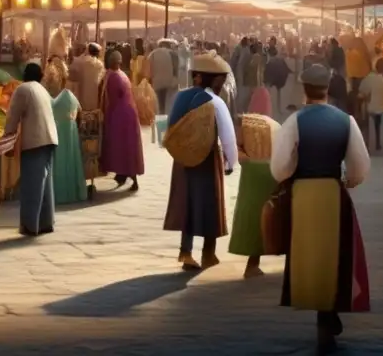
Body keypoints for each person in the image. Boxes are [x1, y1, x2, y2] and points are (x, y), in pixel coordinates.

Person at [271, 64, 371, 354]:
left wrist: (293, 174)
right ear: (328, 88)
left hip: (303, 194)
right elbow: (359, 167)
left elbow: (279, 168)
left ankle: (322, 314)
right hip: (332, 193)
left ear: (304, 89)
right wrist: (348, 181)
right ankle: (328, 315)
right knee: (335, 255)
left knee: (308, 256)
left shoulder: (294, 121)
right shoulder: (346, 121)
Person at [163, 53, 237, 271]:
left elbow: (171, 127)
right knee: (209, 205)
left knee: (187, 202)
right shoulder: (215, 102)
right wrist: (230, 163)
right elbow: (228, 136)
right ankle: (209, 254)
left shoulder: (180, 97)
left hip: (183, 160)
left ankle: (185, 252)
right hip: (208, 158)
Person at [3, 63, 59, 236]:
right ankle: (45, 223)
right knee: (45, 183)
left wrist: (8, 140)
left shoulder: (22, 89)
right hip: (50, 138)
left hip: (35, 140)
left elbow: (13, 116)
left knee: (31, 185)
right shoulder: (42, 90)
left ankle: (29, 225)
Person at [227, 114, 279, 278]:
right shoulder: (268, 126)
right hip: (273, 170)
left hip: (258, 172)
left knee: (254, 215)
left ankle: (252, 264)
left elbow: (235, 149)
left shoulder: (246, 130)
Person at [98, 50, 145, 190]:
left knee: (119, 146)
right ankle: (124, 175)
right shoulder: (123, 74)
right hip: (130, 114)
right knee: (128, 146)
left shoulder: (112, 77)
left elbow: (110, 99)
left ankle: (127, 175)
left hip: (119, 115)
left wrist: (105, 116)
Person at [51, 88, 87, 205]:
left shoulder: (56, 99)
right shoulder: (71, 97)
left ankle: (60, 194)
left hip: (59, 133)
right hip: (71, 133)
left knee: (60, 160)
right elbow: (80, 112)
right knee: (71, 159)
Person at [358, 62, 383, 151]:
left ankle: (366, 142)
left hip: (371, 108)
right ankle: (377, 143)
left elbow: (362, 93)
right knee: (377, 123)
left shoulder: (368, 78)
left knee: (363, 113)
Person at [69, 42, 105, 113]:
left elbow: (70, 71)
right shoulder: (100, 65)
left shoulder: (79, 61)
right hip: (93, 104)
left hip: (80, 102)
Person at [146, 39, 178, 115]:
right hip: (169, 82)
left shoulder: (152, 54)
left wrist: (149, 80)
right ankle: (164, 116)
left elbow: (148, 69)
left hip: (156, 82)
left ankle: (159, 116)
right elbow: (176, 68)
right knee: (168, 103)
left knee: (158, 102)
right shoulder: (172, 53)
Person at [264, 46, 292, 118]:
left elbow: (267, 72)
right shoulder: (280, 60)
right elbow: (287, 69)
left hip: (271, 80)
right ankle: (278, 109)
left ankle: (269, 111)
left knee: (268, 94)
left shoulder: (270, 62)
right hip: (280, 80)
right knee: (278, 94)